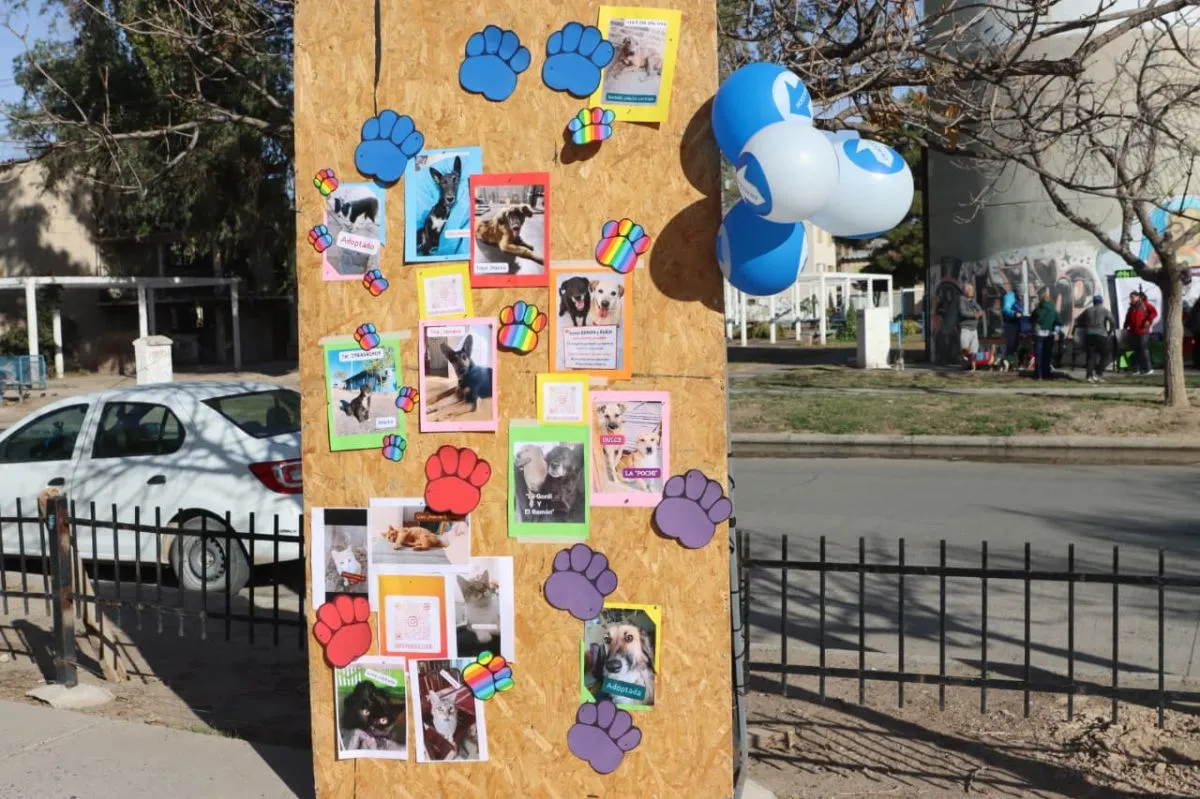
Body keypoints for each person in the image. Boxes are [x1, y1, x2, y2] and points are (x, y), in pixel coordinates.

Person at [1075, 295, 1115, 383]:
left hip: (1089, 335)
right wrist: (1109, 332)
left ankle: (1089, 376)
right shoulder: (1105, 310)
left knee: (1091, 356)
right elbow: (1112, 321)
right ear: (1101, 302)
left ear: (1093, 302)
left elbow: (1078, 320)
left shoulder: (1088, 310)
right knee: (1105, 355)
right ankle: (1099, 373)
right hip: (1101, 334)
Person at [1122, 290, 1158, 376]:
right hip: (1133, 332)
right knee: (1135, 351)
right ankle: (1136, 369)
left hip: (1143, 332)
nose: (1131, 299)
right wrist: (1125, 327)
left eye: (1133, 297)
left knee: (1143, 350)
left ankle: (1148, 369)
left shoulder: (1145, 305)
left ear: (1138, 297)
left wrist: (1148, 320)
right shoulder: (1131, 307)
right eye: (1130, 298)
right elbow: (1127, 319)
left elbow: (1154, 312)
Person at [1031, 287, 1062, 381]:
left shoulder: (1037, 310)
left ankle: (1038, 375)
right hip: (1049, 334)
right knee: (1047, 354)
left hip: (1038, 333)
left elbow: (1032, 319)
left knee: (1038, 354)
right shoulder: (1053, 310)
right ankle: (1046, 373)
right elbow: (1059, 322)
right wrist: (1056, 331)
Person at [957, 283, 984, 370]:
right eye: (970, 289)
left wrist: (980, 312)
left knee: (974, 349)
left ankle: (973, 367)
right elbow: (963, 312)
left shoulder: (973, 300)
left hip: (974, 328)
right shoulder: (961, 299)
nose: (972, 291)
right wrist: (974, 315)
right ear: (965, 291)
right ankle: (965, 365)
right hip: (966, 328)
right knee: (965, 349)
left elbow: (979, 309)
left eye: (972, 289)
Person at [1001, 287, 1023, 357]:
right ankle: (1009, 360)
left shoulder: (1022, 297)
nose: (1021, 295)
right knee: (1011, 344)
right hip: (1011, 323)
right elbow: (1006, 309)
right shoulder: (1010, 297)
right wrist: (1014, 313)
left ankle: (1014, 361)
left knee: (1016, 344)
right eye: (1020, 293)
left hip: (1019, 323)